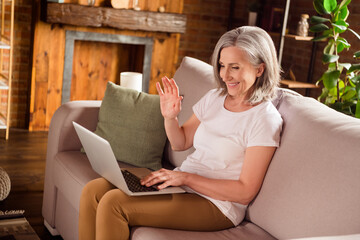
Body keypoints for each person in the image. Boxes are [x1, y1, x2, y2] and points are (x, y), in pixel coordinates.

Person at [79, 26, 283, 240]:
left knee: (114, 204)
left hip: (217, 205)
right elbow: (180, 142)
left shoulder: (264, 119)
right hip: (181, 185)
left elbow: (245, 191)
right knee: (93, 191)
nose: (225, 75)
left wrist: (185, 177)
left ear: (260, 69)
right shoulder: (215, 98)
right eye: (222, 66)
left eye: (235, 67)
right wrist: (170, 117)